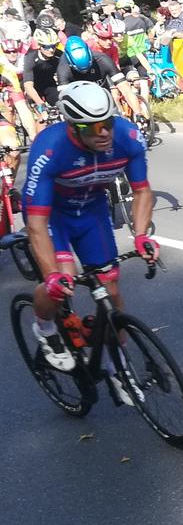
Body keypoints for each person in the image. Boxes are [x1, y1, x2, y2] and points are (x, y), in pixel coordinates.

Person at [21, 81, 157, 404]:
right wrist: (53, 273)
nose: (104, 132)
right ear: (72, 126)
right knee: (61, 281)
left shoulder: (127, 138)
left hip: (92, 212)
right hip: (52, 215)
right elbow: (36, 223)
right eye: (92, 127)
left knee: (111, 290)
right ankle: (44, 328)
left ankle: (117, 367)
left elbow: (142, 190)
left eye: (108, 122)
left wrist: (140, 237)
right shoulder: (50, 148)